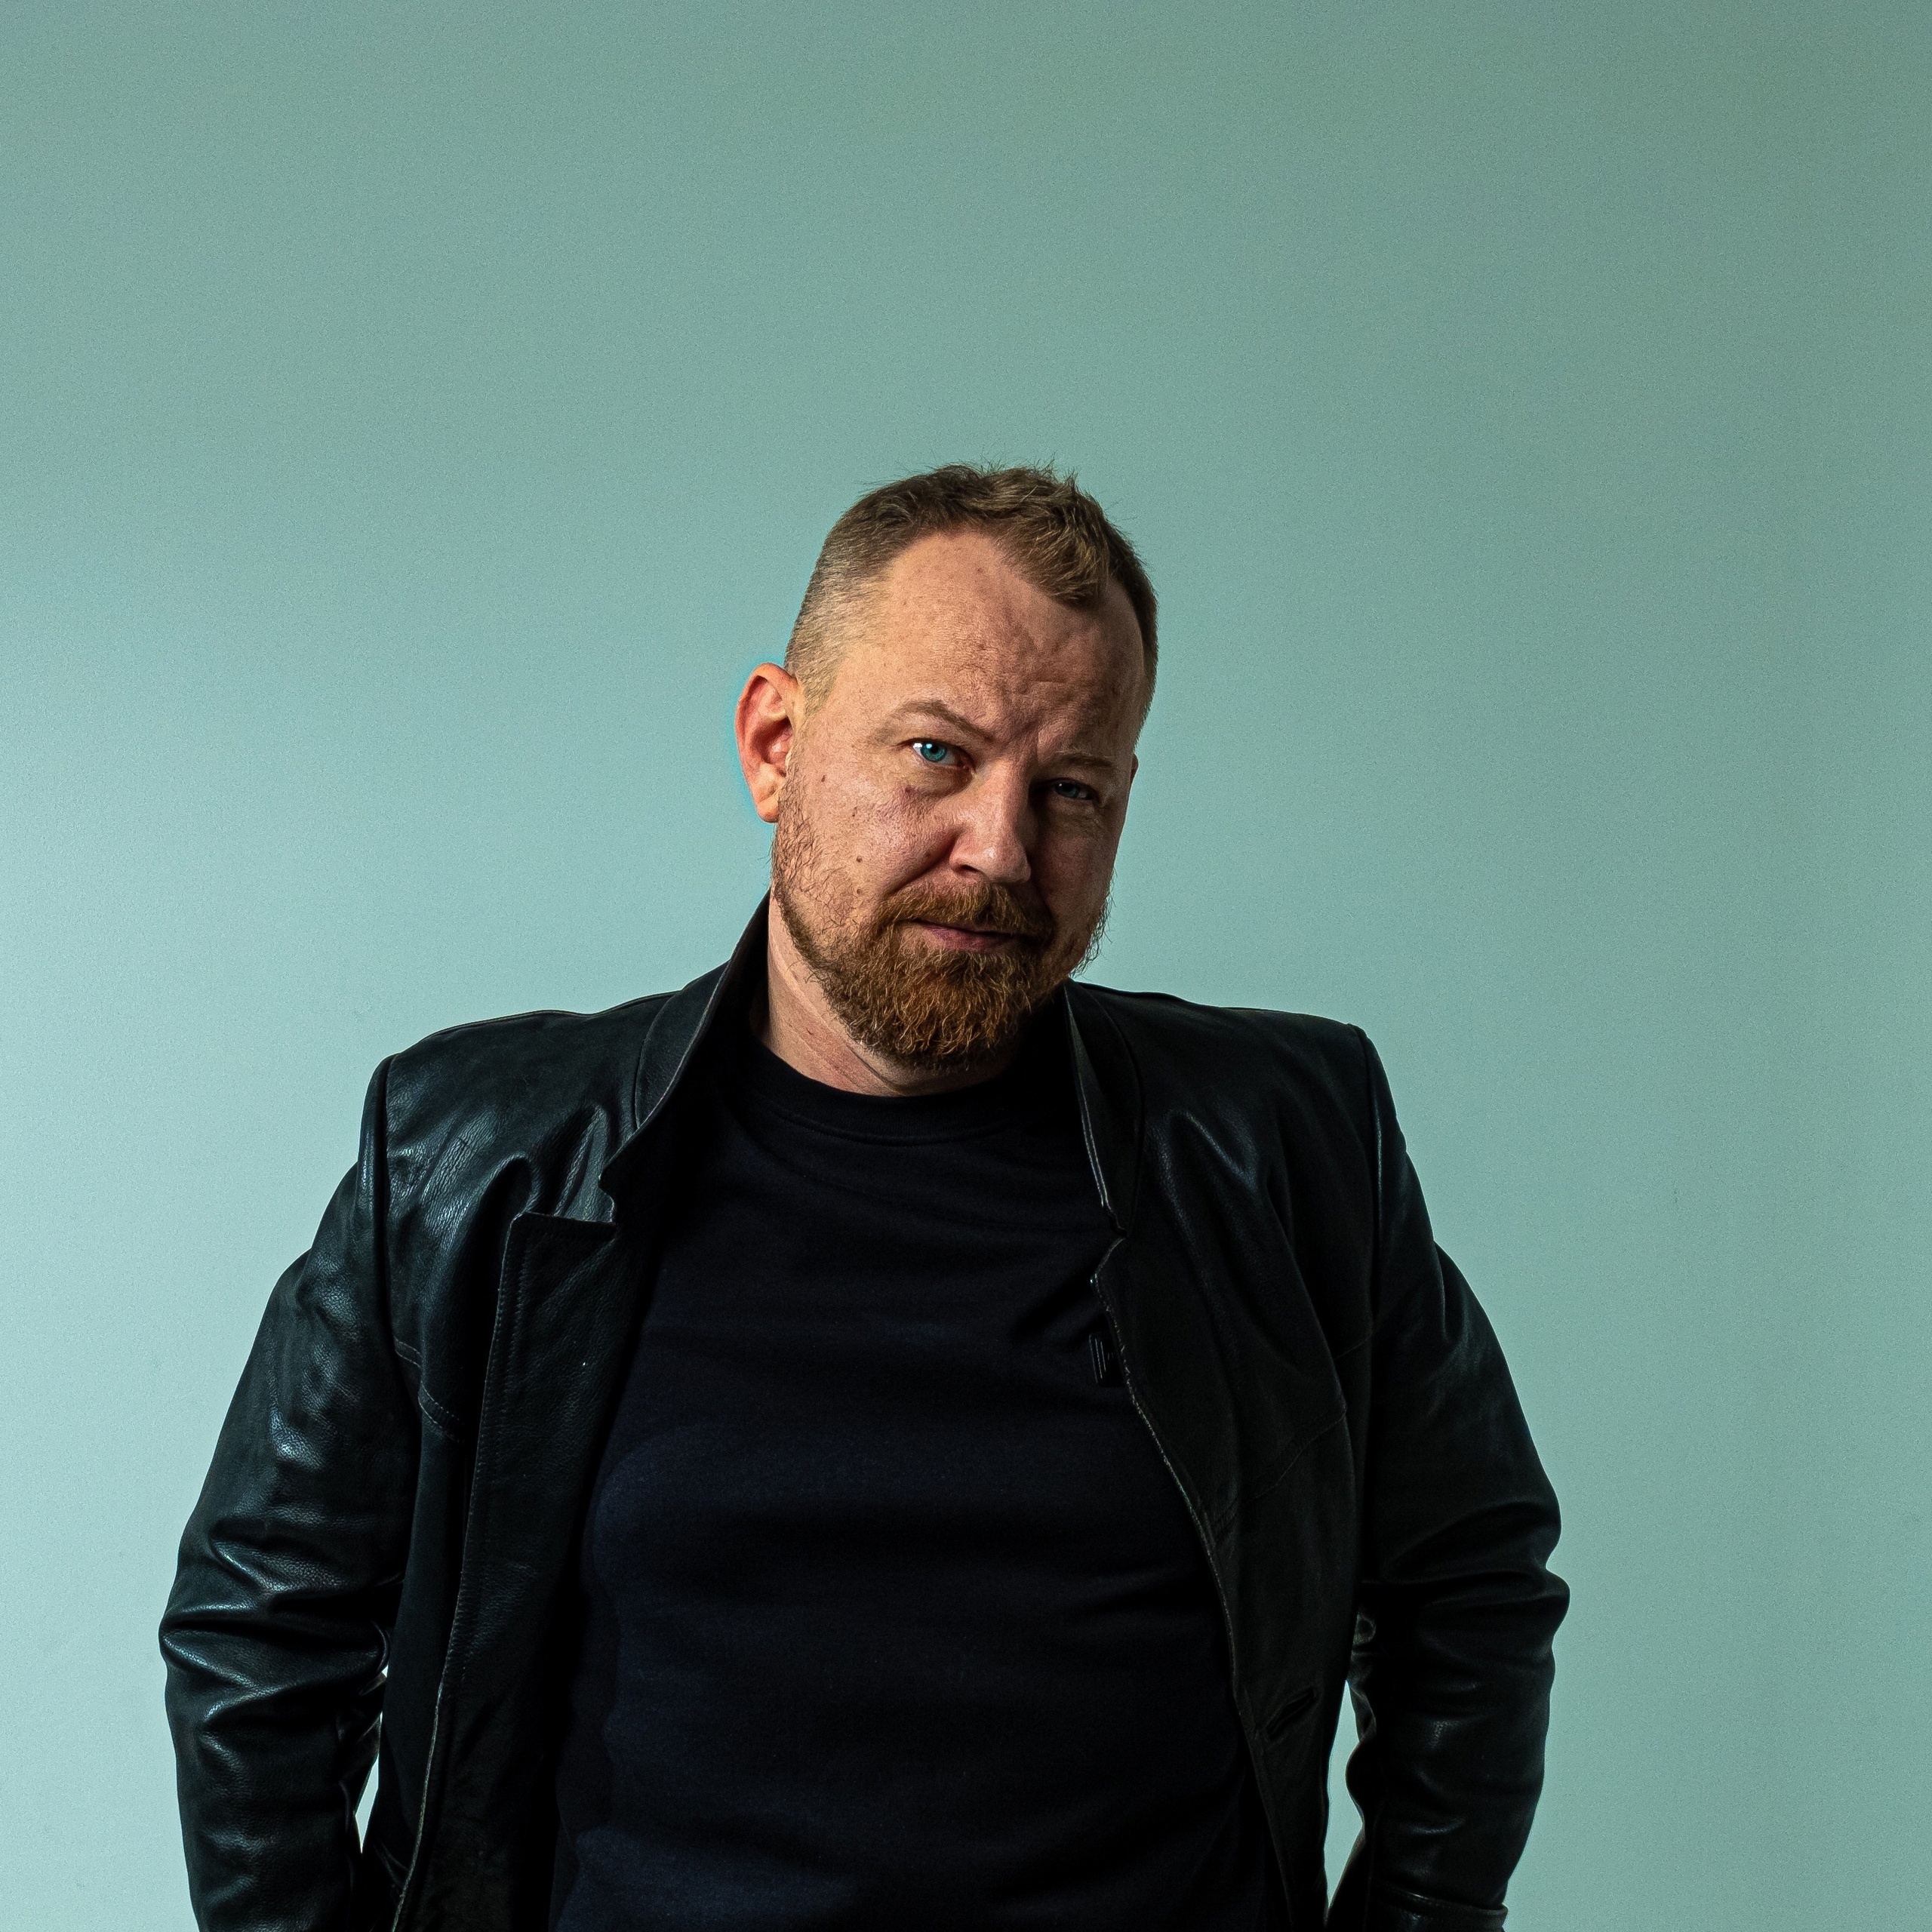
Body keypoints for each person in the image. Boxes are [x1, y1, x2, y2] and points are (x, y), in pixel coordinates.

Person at [162, 464, 1567, 1932]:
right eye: (935, 753)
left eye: (1070, 788)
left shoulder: (1283, 1146)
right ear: (775, 744)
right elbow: (259, 1630)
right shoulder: (477, 1161)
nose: (1000, 849)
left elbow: (1468, 1585)